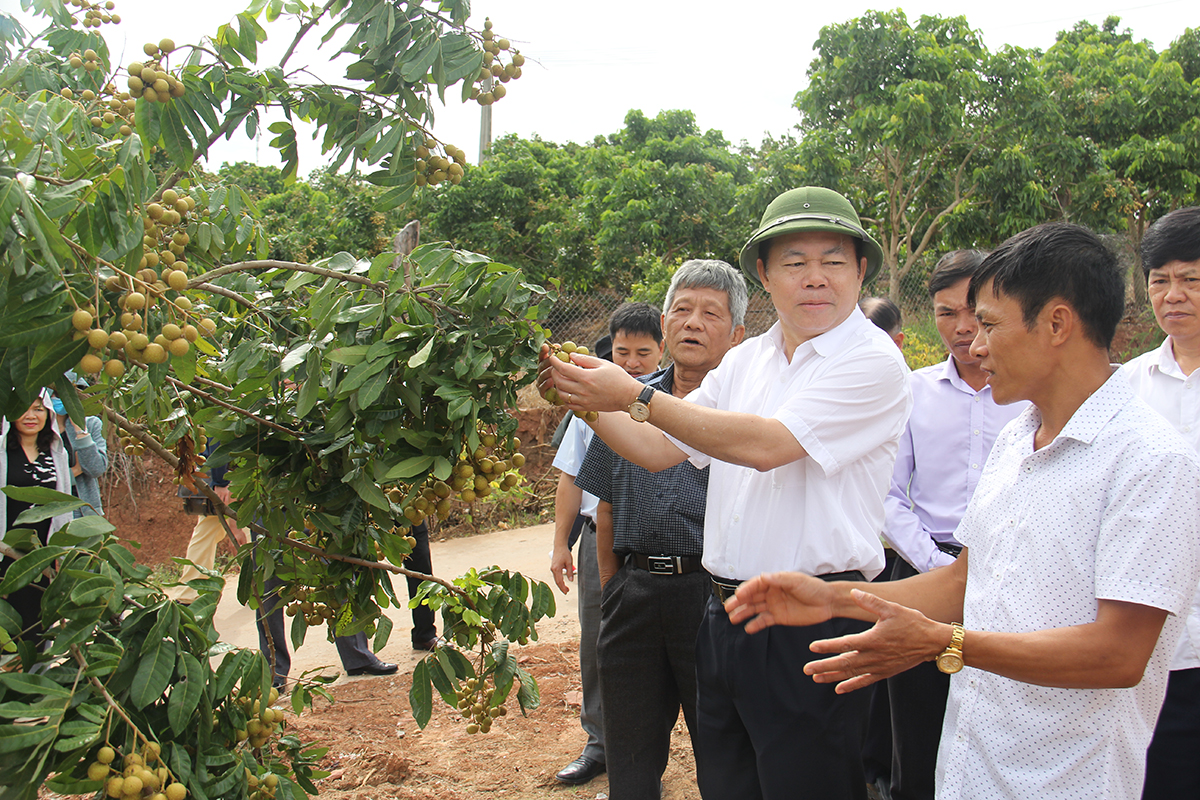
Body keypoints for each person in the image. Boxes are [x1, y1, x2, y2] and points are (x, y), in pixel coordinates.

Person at [725, 222, 1200, 800]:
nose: (974, 346)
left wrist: (945, 643)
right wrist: (833, 598)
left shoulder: (1152, 460)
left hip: (1067, 776)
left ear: (1056, 323)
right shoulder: (1017, 439)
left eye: (992, 325)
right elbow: (963, 583)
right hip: (973, 760)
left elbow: (1119, 654)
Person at [541, 186, 911, 799]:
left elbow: (767, 445)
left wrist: (632, 394)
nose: (815, 278)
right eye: (795, 263)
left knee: (807, 785)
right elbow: (662, 448)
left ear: (861, 269)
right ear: (765, 274)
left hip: (812, 619)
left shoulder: (870, 362)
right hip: (724, 617)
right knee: (729, 785)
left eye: (833, 261)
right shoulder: (748, 361)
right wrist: (577, 392)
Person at [574, 260, 746, 799]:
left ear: (738, 334)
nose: (693, 322)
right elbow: (603, 502)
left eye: (711, 313)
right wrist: (614, 583)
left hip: (713, 594)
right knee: (630, 750)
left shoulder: (749, 413)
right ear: (665, 324)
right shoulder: (622, 397)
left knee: (724, 749)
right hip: (635, 590)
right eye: (682, 310)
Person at [877, 251, 1026, 800]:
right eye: (945, 314)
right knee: (915, 727)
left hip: (1010, 574)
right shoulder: (912, 391)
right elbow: (889, 496)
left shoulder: (1028, 395)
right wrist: (941, 565)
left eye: (974, 313)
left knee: (997, 716)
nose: (962, 329)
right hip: (922, 571)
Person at [551, 301, 665, 786]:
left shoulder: (670, 406)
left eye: (643, 352)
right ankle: (600, 745)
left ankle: (646, 759)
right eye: (623, 351)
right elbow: (571, 478)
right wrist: (560, 543)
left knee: (659, 657)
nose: (632, 362)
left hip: (653, 544)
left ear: (662, 351)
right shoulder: (587, 404)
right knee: (599, 648)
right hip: (598, 542)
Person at [1119, 205, 1200, 799]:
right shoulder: (1126, 386)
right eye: (1160, 280)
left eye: (1192, 279)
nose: (1174, 295)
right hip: (1148, 641)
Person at [1, 394, 73, 648]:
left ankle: (30, 684)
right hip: (5, 555)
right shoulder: (3, 452)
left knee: (34, 628)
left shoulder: (56, 452)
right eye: (23, 409)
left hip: (42, 556)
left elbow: (64, 503)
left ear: (48, 415)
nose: (31, 416)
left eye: (38, 410)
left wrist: (63, 553)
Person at [50, 377, 107, 517]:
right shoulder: (38, 429)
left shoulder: (92, 424)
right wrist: (73, 473)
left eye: (73, 394)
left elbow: (96, 469)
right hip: (50, 511)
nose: (66, 399)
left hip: (85, 512)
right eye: (59, 394)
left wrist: (81, 431)